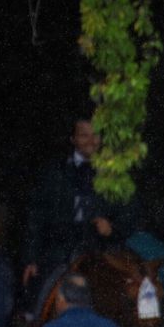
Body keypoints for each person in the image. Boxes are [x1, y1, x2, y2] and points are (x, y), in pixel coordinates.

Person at [21, 119, 132, 295]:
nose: (91, 141)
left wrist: (112, 229)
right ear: (73, 139)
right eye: (84, 135)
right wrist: (31, 258)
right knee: (42, 297)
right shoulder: (55, 172)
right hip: (60, 254)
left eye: (95, 135)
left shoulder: (115, 173)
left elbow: (130, 215)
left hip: (102, 253)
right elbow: (36, 216)